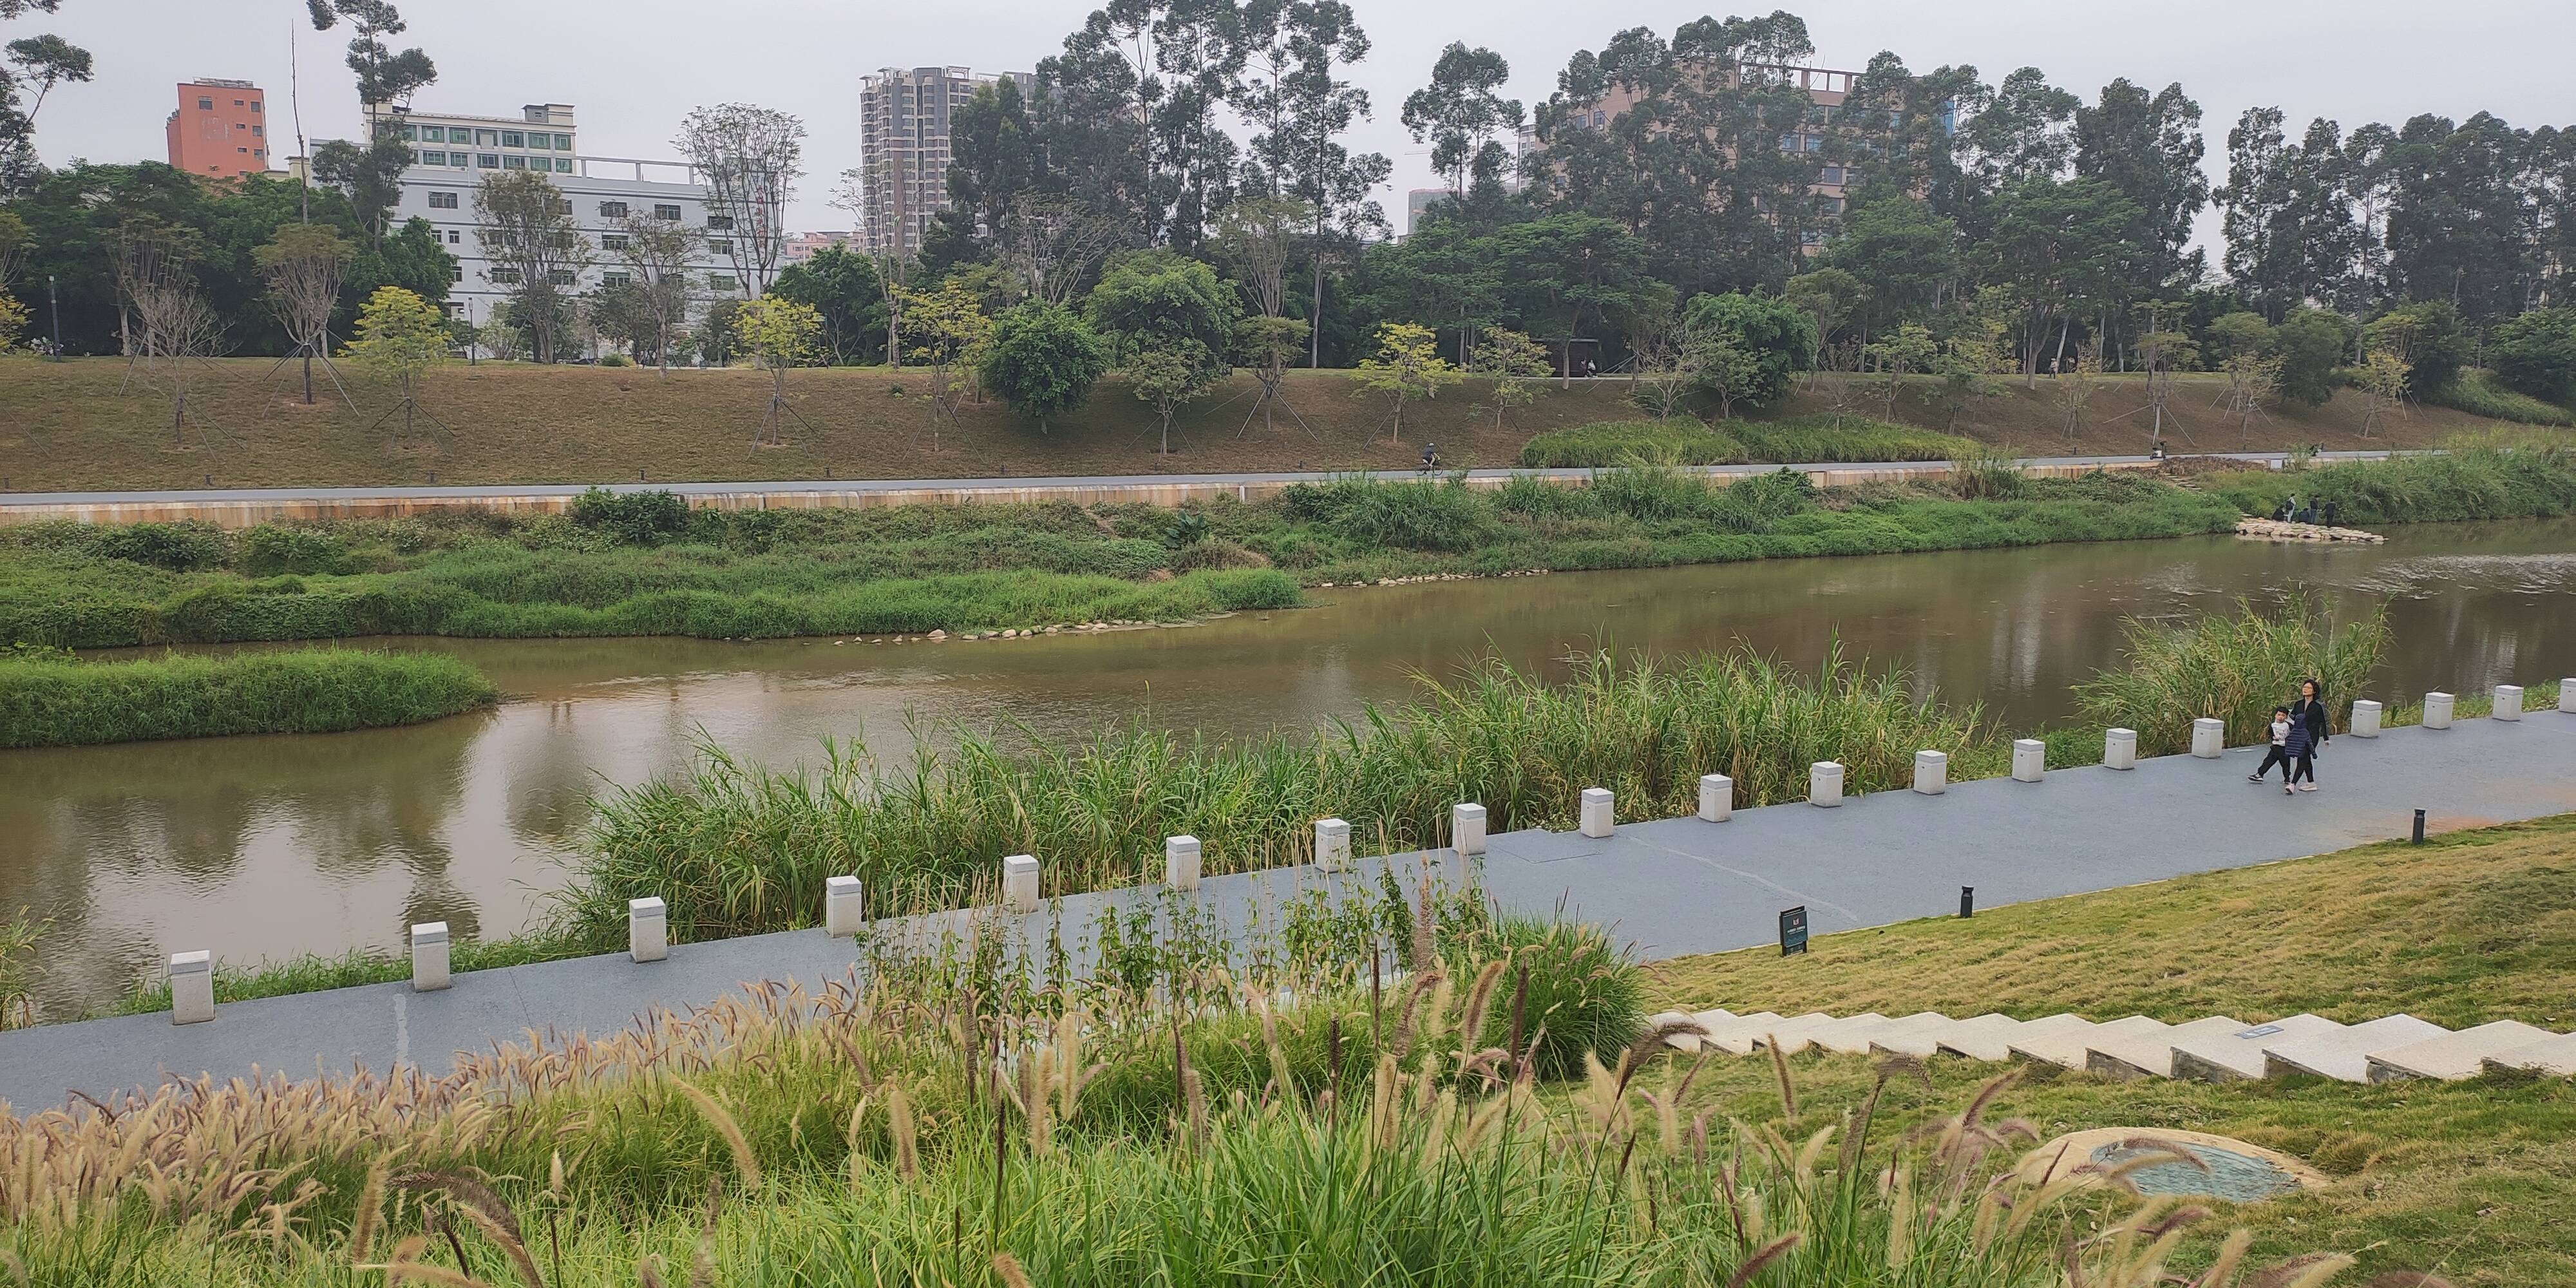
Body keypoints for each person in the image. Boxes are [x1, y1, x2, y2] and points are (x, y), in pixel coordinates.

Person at [2289, 677, 2329, 791]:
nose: (2305, 690)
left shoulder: (2317, 707)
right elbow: (2292, 718)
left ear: (2314, 691)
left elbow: (2323, 722)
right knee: (2305, 758)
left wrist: (2326, 738)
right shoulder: (2298, 704)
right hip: (2299, 735)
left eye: (2308, 688)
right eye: (2304, 687)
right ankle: (2311, 783)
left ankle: (2293, 784)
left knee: (2302, 758)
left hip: (2312, 736)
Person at [2249, 706, 2295, 792]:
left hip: (2285, 748)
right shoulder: (2273, 725)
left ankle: (2287, 778)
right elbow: (2270, 733)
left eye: (2283, 715)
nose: (2281, 717)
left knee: (2286, 764)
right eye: (2279, 715)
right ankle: (2260, 774)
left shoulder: (2288, 725)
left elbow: (2293, 733)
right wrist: (2273, 738)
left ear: (2286, 717)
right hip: (2275, 747)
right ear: (2275, 715)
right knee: (2268, 761)